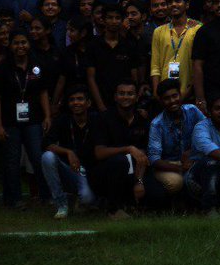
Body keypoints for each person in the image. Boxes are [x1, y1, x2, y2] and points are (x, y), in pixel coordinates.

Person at [0, 29, 51, 208]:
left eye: (23, 42)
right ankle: (14, 199)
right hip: (10, 122)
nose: (20, 46)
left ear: (29, 44)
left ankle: (46, 196)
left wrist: (47, 115)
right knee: (12, 161)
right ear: (10, 45)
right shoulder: (2, 68)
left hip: (33, 119)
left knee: (38, 157)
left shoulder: (37, 65)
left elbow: (43, 92)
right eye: (16, 43)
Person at [91, 79, 154, 218]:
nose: (125, 97)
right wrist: (128, 148)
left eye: (130, 93)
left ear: (137, 97)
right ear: (115, 97)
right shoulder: (103, 118)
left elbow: (143, 153)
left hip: (135, 172)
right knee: (120, 161)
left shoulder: (142, 119)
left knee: (158, 194)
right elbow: (99, 153)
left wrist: (139, 182)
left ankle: (134, 204)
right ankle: (113, 209)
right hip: (106, 173)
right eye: (121, 93)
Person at [41, 83, 98, 218]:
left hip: (91, 173)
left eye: (80, 99)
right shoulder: (63, 120)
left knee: (87, 199)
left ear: (88, 103)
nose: (75, 102)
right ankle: (61, 204)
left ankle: (79, 198)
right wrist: (68, 152)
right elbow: (46, 143)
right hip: (70, 171)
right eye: (72, 100)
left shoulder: (97, 120)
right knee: (47, 157)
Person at [146, 78, 206, 203]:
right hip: (170, 164)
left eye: (175, 96)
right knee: (176, 182)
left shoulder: (192, 111)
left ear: (180, 94)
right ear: (161, 101)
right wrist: (180, 169)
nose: (172, 101)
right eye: (167, 98)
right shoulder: (157, 124)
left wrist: (192, 151)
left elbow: (208, 133)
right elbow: (154, 159)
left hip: (193, 158)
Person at [149, 0, 202, 100]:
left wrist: (190, 91)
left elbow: (199, 65)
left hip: (190, 92)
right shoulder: (158, 31)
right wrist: (156, 92)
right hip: (165, 94)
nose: (173, 4)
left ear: (186, 4)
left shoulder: (198, 29)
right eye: (170, 2)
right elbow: (155, 66)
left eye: (177, 1)